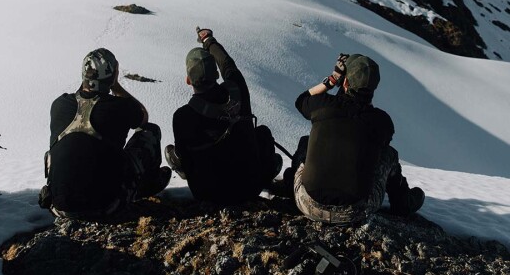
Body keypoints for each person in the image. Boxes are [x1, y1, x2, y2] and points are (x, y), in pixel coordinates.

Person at [287, 53, 424, 224]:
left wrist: (332, 78)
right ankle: (402, 203)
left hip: (307, 204)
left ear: (345, 82)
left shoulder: (321, 105)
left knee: (306, 142)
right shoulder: (382, 122)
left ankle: (289, 184)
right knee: (388, 154)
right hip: (356, 211)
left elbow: (302, 100)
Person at [42, 48, 171, 220]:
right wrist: (116, 86)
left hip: (58, 207)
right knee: (150, 132)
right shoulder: (119, 107)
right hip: (107, 205)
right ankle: (146, 184)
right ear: (112, 75)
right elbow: (143, 118)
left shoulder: (59, 104)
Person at [164, 27, 282, 203]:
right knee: (262, 133)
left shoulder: (183, 116)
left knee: (173, 152)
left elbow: (184, 157)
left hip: (208, 194)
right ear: (217, 74)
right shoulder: (237, 91)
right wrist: (208, 40)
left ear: (188, 80)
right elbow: (227, 63)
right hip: (250, 187)